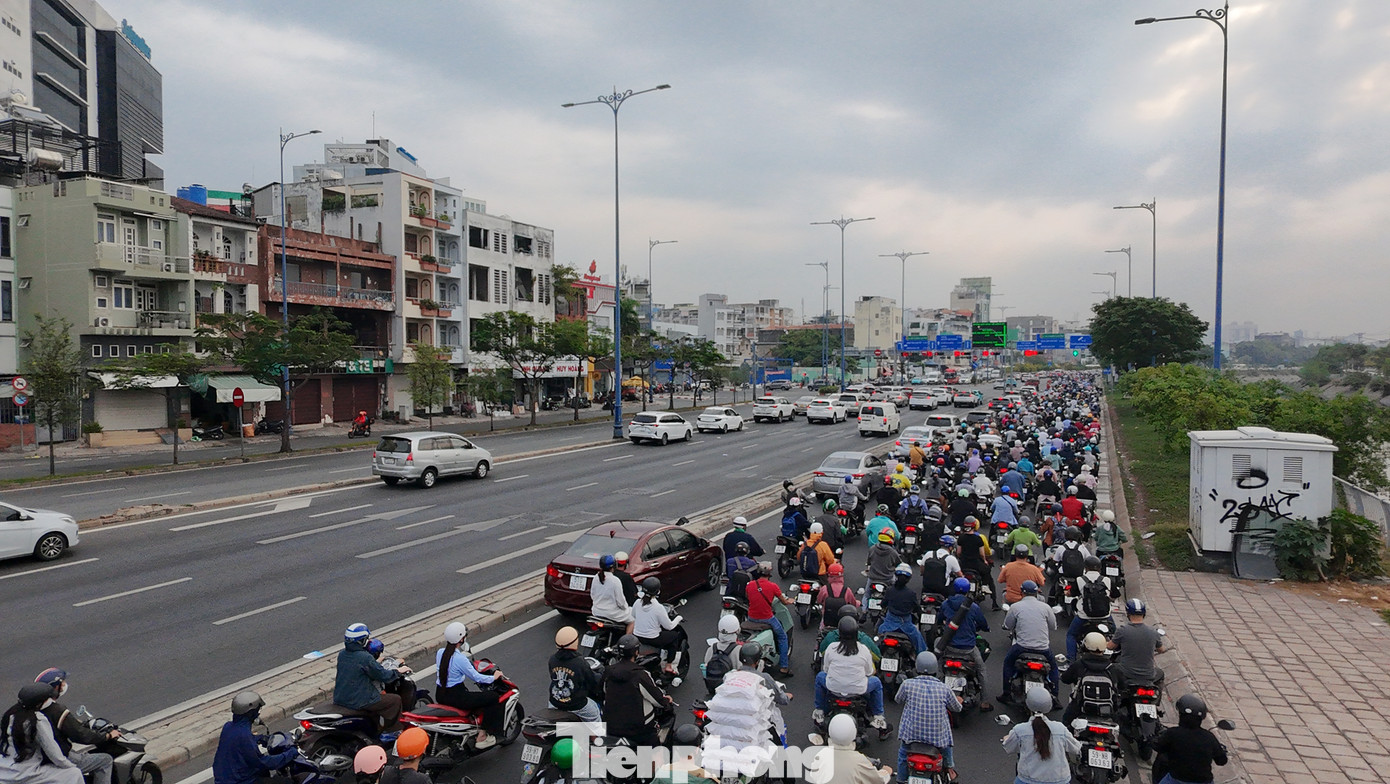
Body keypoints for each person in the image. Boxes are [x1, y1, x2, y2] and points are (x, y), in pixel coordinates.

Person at [32, 670, 118, 784]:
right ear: (54, 688)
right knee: (105, 760)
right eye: (61, 683)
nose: (64, 685)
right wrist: (107, 735)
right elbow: (80, 735)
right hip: (62, 757)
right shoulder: (57, 710)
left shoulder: (32, 710)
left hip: (39, 758)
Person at [434, 622, 505, 749]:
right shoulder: (460, 659)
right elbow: (477, 677)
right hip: (456, 696)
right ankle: (483, 735)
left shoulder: (440, 653)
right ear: (461, 639)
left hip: (440, 693)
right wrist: (493, 677)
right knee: (493, 697)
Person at [893, 652, 961, 784]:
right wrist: (959, 700)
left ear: (917, 667)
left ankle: (901, 780)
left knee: (903, 754)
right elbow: (956, 708)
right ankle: (950, 769)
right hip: (936, 739)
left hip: (911, 737)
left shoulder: (907, 684)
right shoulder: (944, 688)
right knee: (946, 746)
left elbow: (898, 700)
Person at [334, 623, 411, 736]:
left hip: (341, 697)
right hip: (360, 700)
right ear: (362, 641)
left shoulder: (342, 654)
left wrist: (375, 662)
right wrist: (398, 671)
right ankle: (393, 732)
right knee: (395, 700)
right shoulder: (365, 657)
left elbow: (359, 667)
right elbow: (383, 675)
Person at [814, 616, 888, 730]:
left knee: (820, 677)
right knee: (877, 682)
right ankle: (878, 717)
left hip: (834, 689)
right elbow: (869, 672)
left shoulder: (831, 647)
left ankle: (819, 711)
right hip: (858, 690)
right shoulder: (863, 649)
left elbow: (826, 670)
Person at [0, 684, 82, 784]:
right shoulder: (37, 719)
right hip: (26, 773)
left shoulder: (10, 715)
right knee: (74, 773)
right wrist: (70, 765)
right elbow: (53, 752)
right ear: (39, 703)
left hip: (5, 771)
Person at [211, 691, 297, 784]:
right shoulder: (244, 735)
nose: (258, 714)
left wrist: (260, 738)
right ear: (251, 713)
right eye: (257, 711)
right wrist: (289, 754)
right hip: (240, 781)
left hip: (224, 779)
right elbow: (263, 762)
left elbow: (239, 741)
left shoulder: (228, 727)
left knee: (263, 774)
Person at [602, 635, 672, 746]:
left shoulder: (608, 671)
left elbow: (603, 692)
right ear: (636, 652)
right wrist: (666, 702)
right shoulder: (640, 675)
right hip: (638, 731)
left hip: (611, 727)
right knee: (656, 751)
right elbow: (657, 699)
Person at [1001, 688, 1082, 784]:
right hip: (1060, 781)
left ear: (1028, 704)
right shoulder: (1060, 729)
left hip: (1028, 781)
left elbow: (1008, 747)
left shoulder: (1020, 730)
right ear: (1049, 705)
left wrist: (1006, 738)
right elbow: (1076, 748)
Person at [998, 581, 1059, 705]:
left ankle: (1006, 694)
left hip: (1022, 647)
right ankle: (1055, 696)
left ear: (1022, 592)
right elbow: (1053, 626)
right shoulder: (1045, 607)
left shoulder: (1015, 607)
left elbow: (1008, 625)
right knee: (1053, 668)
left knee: (1008, 663)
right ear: (1037, 592)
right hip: (1043, 648)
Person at [939, 578, 992, 712]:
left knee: (939, 664)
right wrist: (984, 628)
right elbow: (982, 623)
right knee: (981, 669)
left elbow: (939, 619)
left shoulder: (946, 604)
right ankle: (985, 702)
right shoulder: (973, 607)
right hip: (968, 649)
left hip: (949, 647)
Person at [1152, 694, 1229, 784]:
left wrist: (1151, 739)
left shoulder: (1173, 733)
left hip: (1176, 780)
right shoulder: (1209, 737)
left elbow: (1159, 747)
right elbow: (1221, 761)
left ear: (1181, 715)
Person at [807, 714, 893, 784]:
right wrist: (886, 772)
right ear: (853, 732)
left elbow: (814, 775)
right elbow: (877, 780)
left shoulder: (822, 754)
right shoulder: (859, 760)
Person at [745, 562, 796, 677]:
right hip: (767, 618)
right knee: (782, 637)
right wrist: (790, 601)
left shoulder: (750, 585)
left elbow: (748, 598)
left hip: (751, 618)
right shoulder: (773, 587)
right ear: (770, 573)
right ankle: (784, 667)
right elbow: (784, 601)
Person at [737, 642, 792, 745]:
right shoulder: (764, 678)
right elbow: (781, 699)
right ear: (757, 661)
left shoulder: (732, 676)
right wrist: (788, 697)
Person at [1108, 599, 1166, 691]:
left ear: (1128, 613)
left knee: (1110, 668)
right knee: (1160, 673)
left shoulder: (1123, 630)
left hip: (1126, 673)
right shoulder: (1153, 632)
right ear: (1144, 614)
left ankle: (1114, 696)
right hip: (1148, 675)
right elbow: (1162, 650)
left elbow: (1110, 646)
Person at [633, 577, 688, 675]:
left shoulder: (637, 602)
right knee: (674, 636)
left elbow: (633, 615)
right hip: (653, 638)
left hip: (637, 636)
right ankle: (669, 665)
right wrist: (678, 618)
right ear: (657, 591)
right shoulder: (658, 607)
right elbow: (669, 626)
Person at [549, 627, 603, 723]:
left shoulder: (552, 659)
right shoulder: (580, 662)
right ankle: (596, 737)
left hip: (554, 702)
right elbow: (592, 681)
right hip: (576, 704)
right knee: (595, 716)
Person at [1066, 556, 1116, 661]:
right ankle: (1116, 656)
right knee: (1115, 634)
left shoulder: (1080, 580)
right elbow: (1115, 595)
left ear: (1085, 568)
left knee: (1071, 635)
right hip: (1105, 617)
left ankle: (1070, 660)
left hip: (1084, 617)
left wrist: (1067, 592)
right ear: (1099, 568)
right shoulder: (1107, 580)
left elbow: (1071, 593)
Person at [1059, 633, 1114, 726]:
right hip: (1107, 711)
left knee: (1066, 722)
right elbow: (1122, 686)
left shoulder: (1079, 665)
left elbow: (1065, 679)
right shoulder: (1112, 668)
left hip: (1081, 709)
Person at [877, 564, 927, 655]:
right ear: (908, 579)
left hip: (889, 623)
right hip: (906, 625)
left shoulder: (889, 590)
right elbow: (917, 609)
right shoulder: (911, 594)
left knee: (877, 638)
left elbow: (883, 604)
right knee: (920, 645)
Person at [955, 518, 998, 610]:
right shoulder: (978, 538)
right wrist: (985, 561)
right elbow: (982, 554)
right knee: (987, 572)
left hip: (964, 564)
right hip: (976, 564)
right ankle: (986, 588)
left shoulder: (961, 537)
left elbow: (958, 552)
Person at [589, 555, 634, 634]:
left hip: (596, 611)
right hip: (612, 613)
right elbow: (621, 602)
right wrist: (626, 608)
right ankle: (626, 641)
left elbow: (593, 595)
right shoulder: (615, 580)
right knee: (632, 620)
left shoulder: (596, 577)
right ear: (614, 565)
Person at [816, 562, 860, 630]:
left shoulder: (824, 588)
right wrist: (858, 603)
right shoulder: (847, 590)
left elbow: (819, 600)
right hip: (842, 620)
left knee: (821, 632)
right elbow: (853, 604)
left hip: (827, 620)